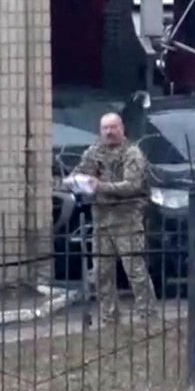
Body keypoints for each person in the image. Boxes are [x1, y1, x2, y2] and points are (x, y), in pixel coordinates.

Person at [73, 111, 158, 323]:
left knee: (135, 271)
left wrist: (102, 186)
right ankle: (109, 318)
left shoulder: (132, 153)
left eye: (113, 127)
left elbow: (133, 185)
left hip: (126, 219)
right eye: (105, 128)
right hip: (101, 220)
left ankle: (147, 316)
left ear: (122, 129)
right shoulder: (94, 152)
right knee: (102, 272)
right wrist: (73, 182)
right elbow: (80, 172)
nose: (109, 132)